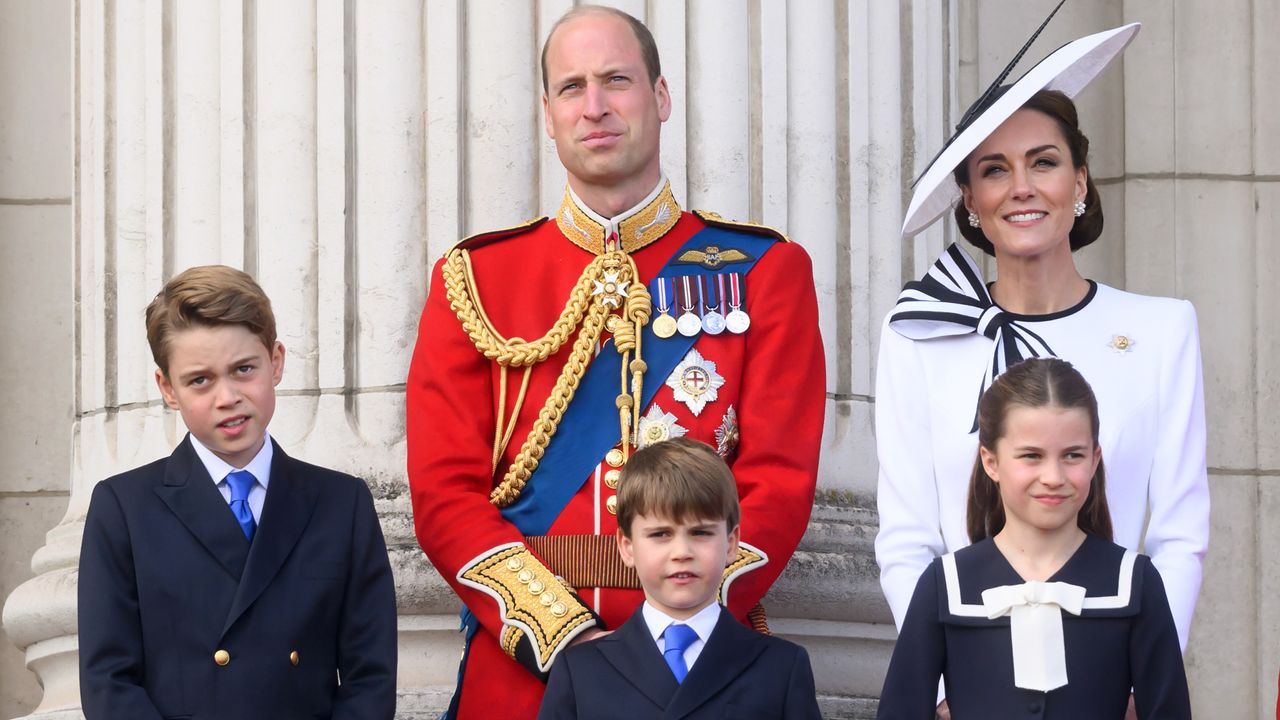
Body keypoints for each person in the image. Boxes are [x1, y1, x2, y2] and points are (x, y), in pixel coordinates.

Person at [406, 5, 824, 719]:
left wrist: (681, 624)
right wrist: (564, 636)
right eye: (572, 88)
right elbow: (445, 497)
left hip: (702, 666)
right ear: (547, 113)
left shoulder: (764, 271)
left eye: (616, 81)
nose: (594, 106)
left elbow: (777, 483)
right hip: (523, 674)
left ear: (660, 98)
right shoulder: (474, 280)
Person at [874, 19, 1208, 712]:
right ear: (969, 199)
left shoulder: (1160, 330)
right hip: (970, 672)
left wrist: (1144, 677)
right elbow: (907, 536)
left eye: (1044, 162)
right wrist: (940, 683)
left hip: (1108, 674)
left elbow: (1179, 533)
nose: (1021, 186)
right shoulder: (918, 335)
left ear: (1080, 180)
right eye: (995, 170)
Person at [77, 266, 398, 720]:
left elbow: (371, 677)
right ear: (168, 388)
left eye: (244, 369)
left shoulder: (341, 504)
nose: (227, 396)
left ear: (277, 362)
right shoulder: (123, 508)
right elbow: (109, 681)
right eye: (200, 380)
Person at [876, 358, 1191, 719]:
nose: (1054, 476)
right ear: (991, 461)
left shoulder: (1135, 583)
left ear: (1094, 459)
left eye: (1073, 455)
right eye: (1031, 456)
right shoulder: (944, 585)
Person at [537, 438, 821, 719]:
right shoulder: (579, 670)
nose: (682, 553)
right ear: (627, 547)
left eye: (701, 533)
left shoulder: (780, 668)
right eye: (661, 534)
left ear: (732, 543)